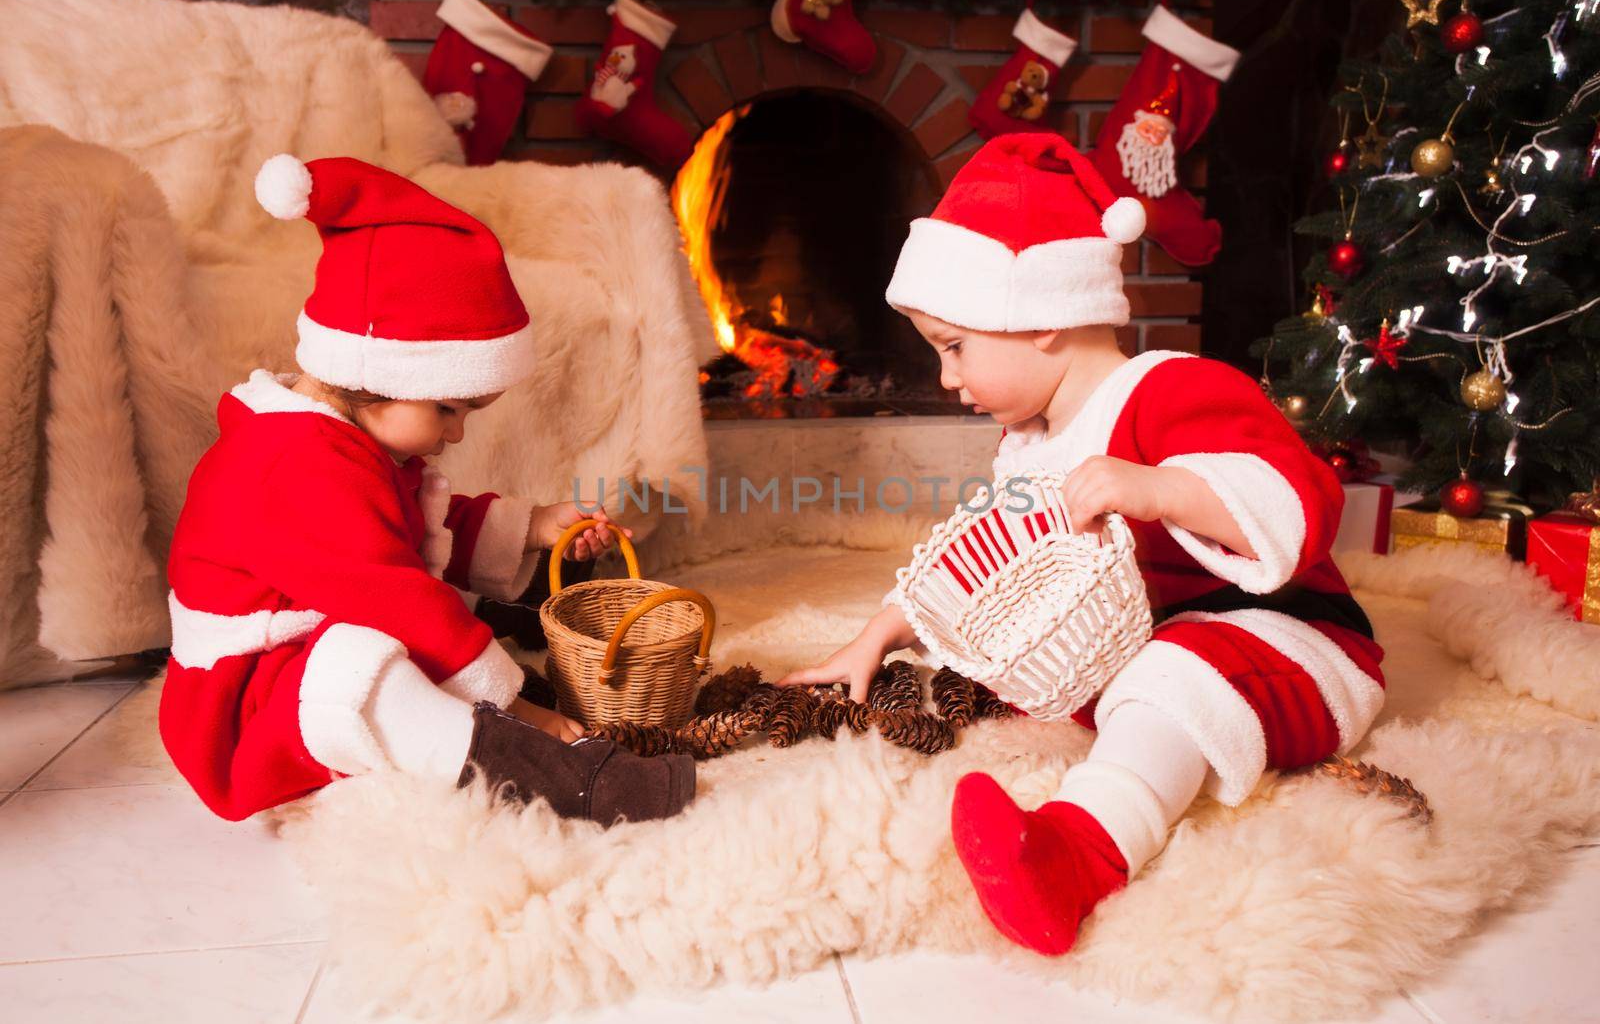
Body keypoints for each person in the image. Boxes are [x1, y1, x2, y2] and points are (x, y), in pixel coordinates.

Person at [781, 133, 1384, 955]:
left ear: (1041, 324)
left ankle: (1077, 857)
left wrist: (1158, 487)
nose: (948, 378)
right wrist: (878, 636)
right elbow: (984, 564)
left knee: (1165, 678)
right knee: (1079, 673)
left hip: (1290, 642)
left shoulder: (1172, 387)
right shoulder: (1027, 443)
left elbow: (1300, 497)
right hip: (1161, 640)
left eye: (954, 348)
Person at [158, 154, 694, 825]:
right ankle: (547, 773)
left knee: (443, 626)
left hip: (303, 642)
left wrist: (533, 524)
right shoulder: (293, 463)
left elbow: (404, 523)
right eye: (449, 409)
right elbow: (395, 594)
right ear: (376, 374)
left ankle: (497, 691)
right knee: (368, 674)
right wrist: (516, 704)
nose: (458, 433)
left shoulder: (346, 440)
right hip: (245, 704)